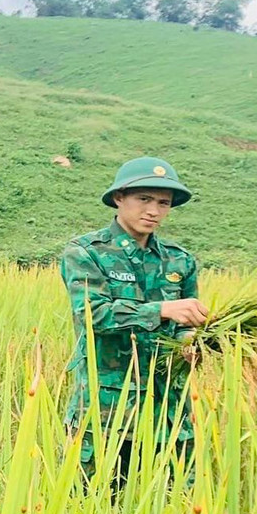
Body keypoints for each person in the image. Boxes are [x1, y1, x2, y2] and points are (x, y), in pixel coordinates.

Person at [61, 156, 207, 496]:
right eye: (144, 199)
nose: (153, 210)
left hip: (167, 410)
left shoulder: (179, 260)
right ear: (119, 198)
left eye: (163, 203)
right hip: (107, 408)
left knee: (175, 504)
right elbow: (93, 315)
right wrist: (161, 309)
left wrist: (190, 342)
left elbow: (189, 323)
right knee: (92, 503)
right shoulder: (86, 252)